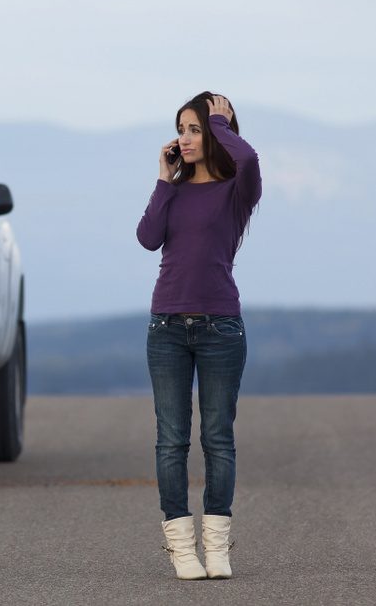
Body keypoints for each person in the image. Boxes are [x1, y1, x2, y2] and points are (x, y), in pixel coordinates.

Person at [135, 92, 261, 580]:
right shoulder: (175, 190)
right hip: (166, 326)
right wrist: (164, 179)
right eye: (181, 130)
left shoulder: (237, 190)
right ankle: (180, 545)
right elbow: (148, 238)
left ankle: (217, 546)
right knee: (171, 441)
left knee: (217, 438)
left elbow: (247, 157)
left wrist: (218, 122)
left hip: (221, 328)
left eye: (194, 130)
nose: (184, 139)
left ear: (213, 133)